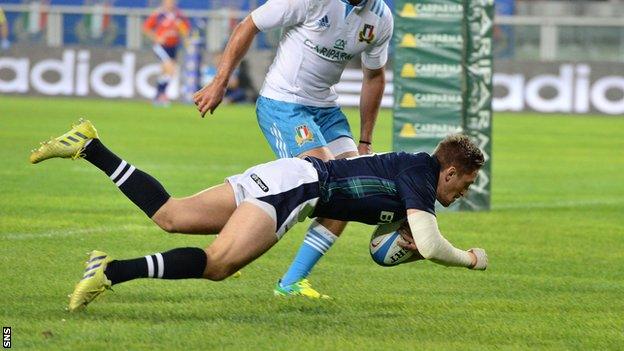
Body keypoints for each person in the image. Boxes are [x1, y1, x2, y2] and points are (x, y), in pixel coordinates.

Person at [29, 119, 488, 312]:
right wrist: (470, 259)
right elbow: (429, 245)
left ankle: (89, 146)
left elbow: (387, 247)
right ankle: (109, 271)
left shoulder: (411, 173)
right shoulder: (420, 177)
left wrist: (400, 246)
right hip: (302, 188)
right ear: (450, 171)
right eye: (465, 185)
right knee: (220, 264)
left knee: (171, 214)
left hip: (290, 174)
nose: (463, 193)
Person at [192, 0, 394, 298]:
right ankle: (233, 240)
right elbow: (249, 23)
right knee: (328, 183)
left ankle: (291, 283)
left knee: (354, 189)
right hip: (283, 103)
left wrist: (365, 142)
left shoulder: (381, 18)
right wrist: (220, 83)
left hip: (326, 109)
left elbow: (374, 76)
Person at [143, 0, 190, 106]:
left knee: (167, 72)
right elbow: (146, 28)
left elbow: (185, 30)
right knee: (170, 68)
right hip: (161, 46)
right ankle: (161, 95)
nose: (170, 3)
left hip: (173, 46)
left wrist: (186, 40)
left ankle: (158, 96)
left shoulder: (179, 15)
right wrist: (156, 38)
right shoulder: (158, 14)